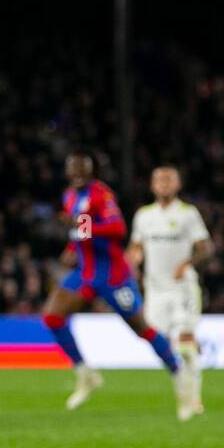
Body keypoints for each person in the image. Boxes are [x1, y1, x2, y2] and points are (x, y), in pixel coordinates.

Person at [42, 152, 180, 409]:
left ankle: (177, 369)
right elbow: (78, 233)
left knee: (142, 329)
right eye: (74, 169)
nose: (79, 174)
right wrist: (72, 249)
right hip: (86, 272)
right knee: (52, 316)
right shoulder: (69, 196)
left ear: (92, 171)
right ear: (68, 172)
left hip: (113, 275)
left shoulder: (101, 194)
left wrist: (87, 229)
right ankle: (86, 374)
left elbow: (118, 229)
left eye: (84, 169)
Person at [129, 166, 212, 420]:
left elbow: (205, 248)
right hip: (155, 290)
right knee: (162, 343)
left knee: (184, 341)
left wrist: (187, 263)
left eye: (169, 179)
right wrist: (132, 263)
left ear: (178, 184)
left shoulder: (188, 214)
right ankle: (185, 385)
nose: (163, 184)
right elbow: (135, 247)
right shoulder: (144, 216)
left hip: (182, 287)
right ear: (152, 185)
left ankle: (192, 398)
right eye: (159, 180)